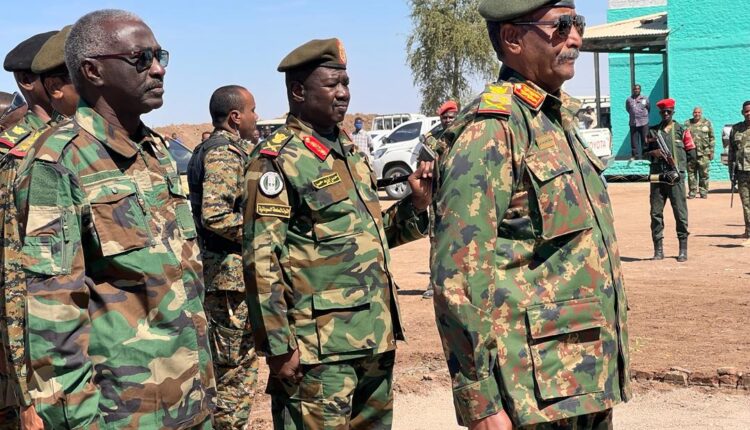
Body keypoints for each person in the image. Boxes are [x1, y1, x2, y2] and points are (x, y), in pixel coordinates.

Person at [431, 1, 631, 429]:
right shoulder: (492, 129)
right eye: (560, 26)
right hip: (531, 390)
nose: (574, 38)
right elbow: (458, 275)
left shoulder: (555, 120)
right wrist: (480, 401)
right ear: (512, 38)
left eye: (578, 24)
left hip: (581, 374)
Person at [14, 9, 216, 429]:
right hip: (125, 414)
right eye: (141, 58)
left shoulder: (155, 151)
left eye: (160, 56)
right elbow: (54, 318)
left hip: (191, 401)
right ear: (93, 71)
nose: (158, 69)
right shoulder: (59, 162)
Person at [242, 38, 433, 429]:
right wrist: (278, 346)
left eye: (346, 83)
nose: (344, 93)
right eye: (332, 84)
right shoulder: (276, 160)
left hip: (374, 337)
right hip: (319, 352)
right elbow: (261, 259)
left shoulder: (348, 151)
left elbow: (368, 237)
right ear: (298, 91)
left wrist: (415, 204)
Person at [186, 85, 258, 429]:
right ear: (235, 117)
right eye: (253, 110)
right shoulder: (224, 153)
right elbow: (215, 215)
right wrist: (261, 233)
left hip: (226, 279)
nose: (256, 117)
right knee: (234, 373)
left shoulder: (218, 149)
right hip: (228, 283)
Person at [0, 29, 60, 430]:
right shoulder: (16, 153)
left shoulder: (78, 142)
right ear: (28, 81)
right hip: (35, 345)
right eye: (61, 73)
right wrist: (27, 393)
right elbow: (13, 275)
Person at [646, 98, 696, 262]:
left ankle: (683, 249)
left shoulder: (682, 130)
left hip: (675, 178)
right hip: (658, 178)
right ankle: (658, 250)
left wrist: (681, 170)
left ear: (673, 112)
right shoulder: (653, 132)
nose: (666, 114)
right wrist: (654, 153)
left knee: (680, 213)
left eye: (668, 111)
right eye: (663, 112)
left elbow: (691, 153)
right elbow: (644, 152)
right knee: (655, 214)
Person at [421, 99, 458, 300]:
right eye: (445, 117)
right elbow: (422, 165)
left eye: (452, 116)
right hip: (438, 195)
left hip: (459, 195)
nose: (448, 120)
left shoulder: (464, 134)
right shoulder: (431, 139)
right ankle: (433, 282)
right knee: (436, 239)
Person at [728, 100, 750, 245]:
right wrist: (731, 172)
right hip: (742, 171)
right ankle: (748, 230)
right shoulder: (736, 129)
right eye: (746, 111)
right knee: (746, 203)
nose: (749, 114)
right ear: (742, 112)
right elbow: (732, 152)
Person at [683, 107, 715, 199]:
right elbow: (683, 138)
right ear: (693, 113)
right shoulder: (687, 123)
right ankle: (692, 192)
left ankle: (703, 192)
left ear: (701, 113)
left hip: (704, 153)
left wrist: (711, 151)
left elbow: (712, 138)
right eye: (695, 112)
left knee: (704, 174)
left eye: (699, 112)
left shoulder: (707, 123)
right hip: (691, 153)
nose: (697, 114)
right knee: (691, 173)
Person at [626, 83, 650, 159]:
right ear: (633, 90)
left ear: (640, 90)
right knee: (634, 141)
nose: (636, 90)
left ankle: (645, 155)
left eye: (638, 89)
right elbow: (628, 109)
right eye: (635, 89)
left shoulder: (645, 99)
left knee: (644, 140)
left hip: (644, 122)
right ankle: (634, 156)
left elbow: (648, 108)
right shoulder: (629, 99)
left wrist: (643, 115)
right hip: (633, 123)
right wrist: (634, 114)